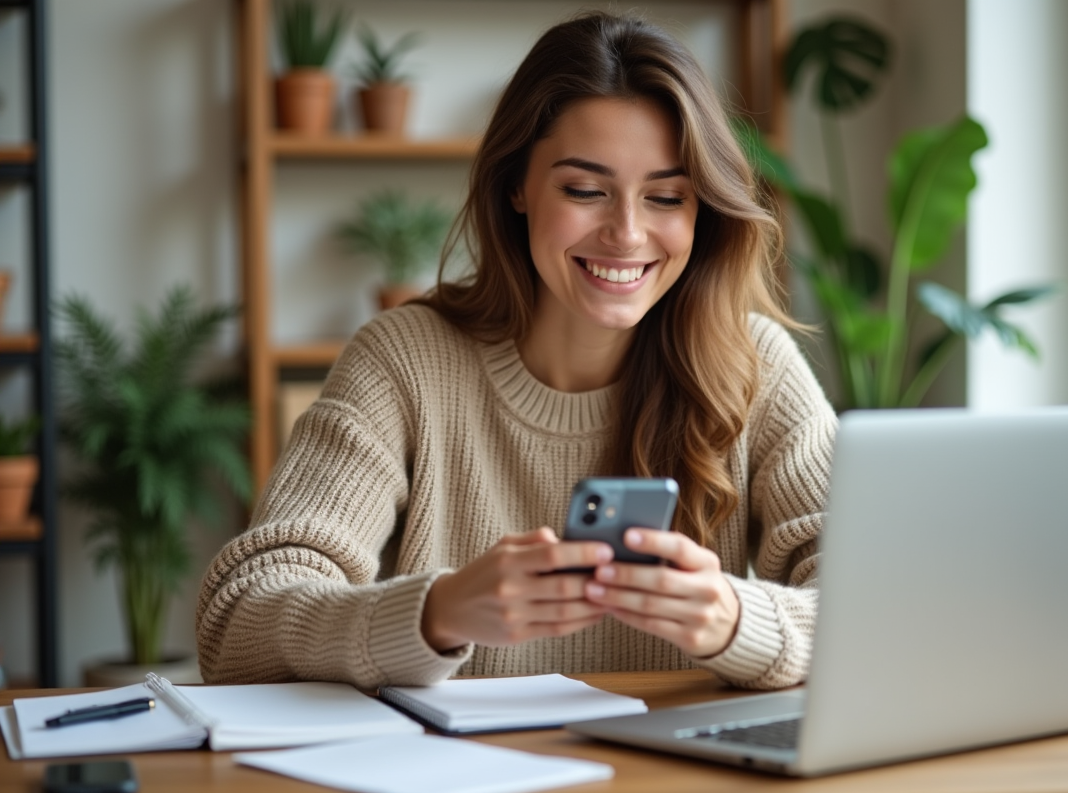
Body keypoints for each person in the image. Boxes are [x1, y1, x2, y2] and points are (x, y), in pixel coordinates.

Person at [196, 11, 836, 691]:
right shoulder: (404, 361)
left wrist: (737, 620)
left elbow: (886, 604)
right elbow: (239, 622)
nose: (626, 233)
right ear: (517, 187)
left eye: (666, 196)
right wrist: (435, 613)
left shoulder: (754, 365)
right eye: (584, 190)